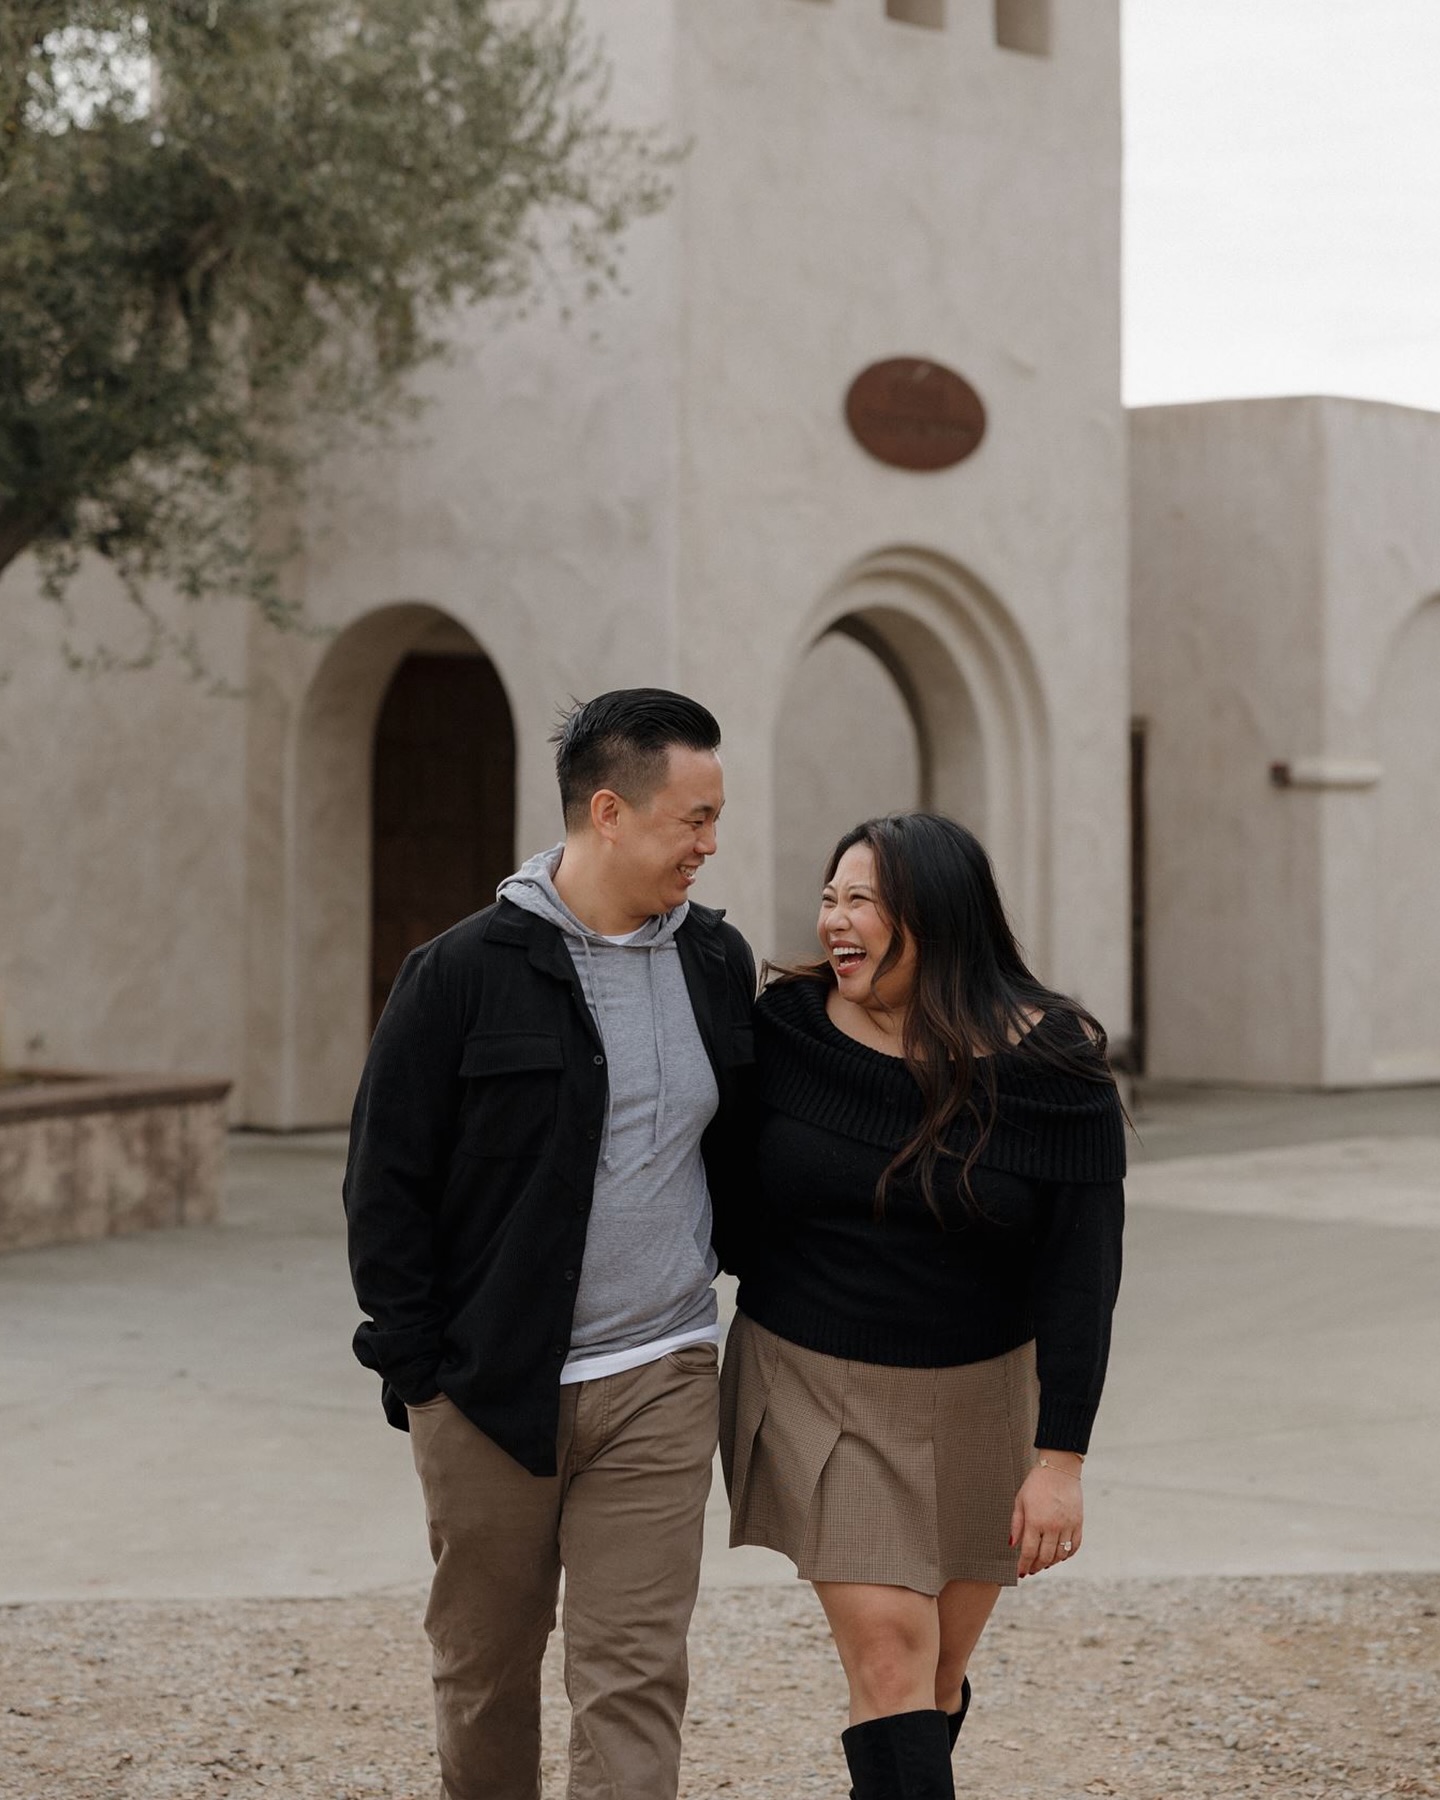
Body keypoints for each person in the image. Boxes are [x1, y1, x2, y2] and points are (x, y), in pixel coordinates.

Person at [344, 688, 756, 1800]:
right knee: (485, 1674)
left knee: (633, 1676)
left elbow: (756, 1143)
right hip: (488, 1393)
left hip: (661, 1376)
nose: (712, 845)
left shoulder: (716, 963)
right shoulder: (460, 973)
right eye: (696, 819)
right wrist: (421, 1372)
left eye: (718, 818)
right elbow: (385, 1185)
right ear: (610, 811)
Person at [719, 811, 1126, 1800]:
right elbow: (712, 1186)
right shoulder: (787, 1032)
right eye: (829, 897)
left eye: (862, 900)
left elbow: (1083, 1273)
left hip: (984, 1393)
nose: (834, 922)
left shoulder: (1054, 1068)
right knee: (893, 1661)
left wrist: (1061, 1459)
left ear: (938, 920)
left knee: (935, 1674)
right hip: (817, 1377)